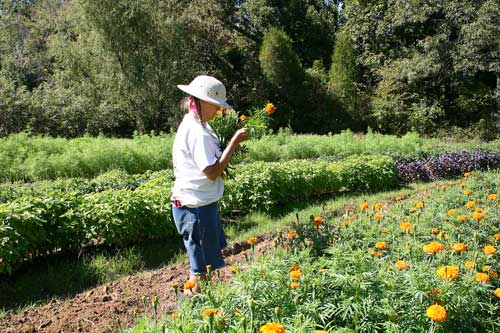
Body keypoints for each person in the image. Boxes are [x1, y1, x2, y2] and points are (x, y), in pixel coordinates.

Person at [171, 75, 249, 294]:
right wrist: (233, 143)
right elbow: (213, 172)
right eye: (215, 106)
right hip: (195, 207)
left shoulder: (197, 124)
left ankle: (200, 304)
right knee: (201, 270)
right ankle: (192, 310)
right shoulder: (198, 132)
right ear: (201, 101)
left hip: (198, 203)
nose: (217, 111)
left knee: (204, 264)